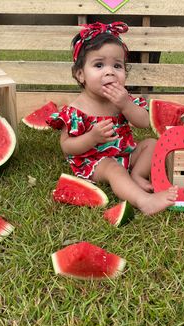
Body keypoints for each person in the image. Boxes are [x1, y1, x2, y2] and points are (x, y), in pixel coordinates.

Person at [48, 22, 177, 215]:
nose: (109, 71)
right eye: (99, 65)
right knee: (113, 168)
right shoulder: (76, 109)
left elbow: (142, 123)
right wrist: (92, 138)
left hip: (125, 153)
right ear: (80, 74)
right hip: (95, 161)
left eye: (117, 65)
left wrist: (125, 104)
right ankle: (144, 202)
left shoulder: (123, 100)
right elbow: (67, 146)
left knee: (152, 143)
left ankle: (137, 175)